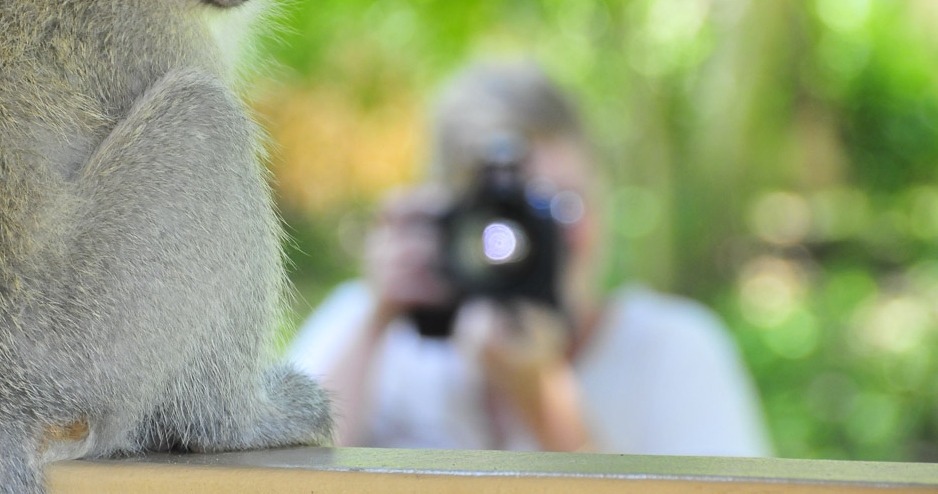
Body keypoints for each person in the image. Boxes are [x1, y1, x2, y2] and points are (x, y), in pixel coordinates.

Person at [288, 60, 772, 455]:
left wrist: (545, 403)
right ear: (443, 218)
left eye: (562, 205)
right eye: (495, 220)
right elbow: (273, 481)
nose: (528, 240)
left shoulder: (671, 351)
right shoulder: (373, 327)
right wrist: (378, 319)